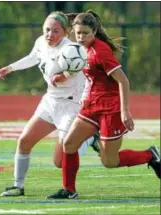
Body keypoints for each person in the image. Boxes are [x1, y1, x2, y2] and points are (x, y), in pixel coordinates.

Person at [47, 10, 161, 199]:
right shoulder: (80, 49)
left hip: (111, 109)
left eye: (85, 33)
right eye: (78, 33)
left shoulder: (101, 51)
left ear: (94, 32)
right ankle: (69, 190)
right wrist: (64, 75)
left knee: (109, 161)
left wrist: (125, 112)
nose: (81, 37)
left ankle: (150, 155)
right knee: (69, 144)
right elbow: (84, 67)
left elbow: (123, 81)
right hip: (92, 106)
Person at [0, 11, 100, 197]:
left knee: (60, 161)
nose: (49, 34)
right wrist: (10, 67)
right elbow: (32, 58)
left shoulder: (72, 48)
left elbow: (83, 70)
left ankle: (89, 138)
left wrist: (65, 76)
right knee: (24, 141)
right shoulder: (41, 42)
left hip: (70, 105)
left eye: (55, 31)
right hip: (50, 101)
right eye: (47, 29)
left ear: (66, 32)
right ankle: (18, 186)